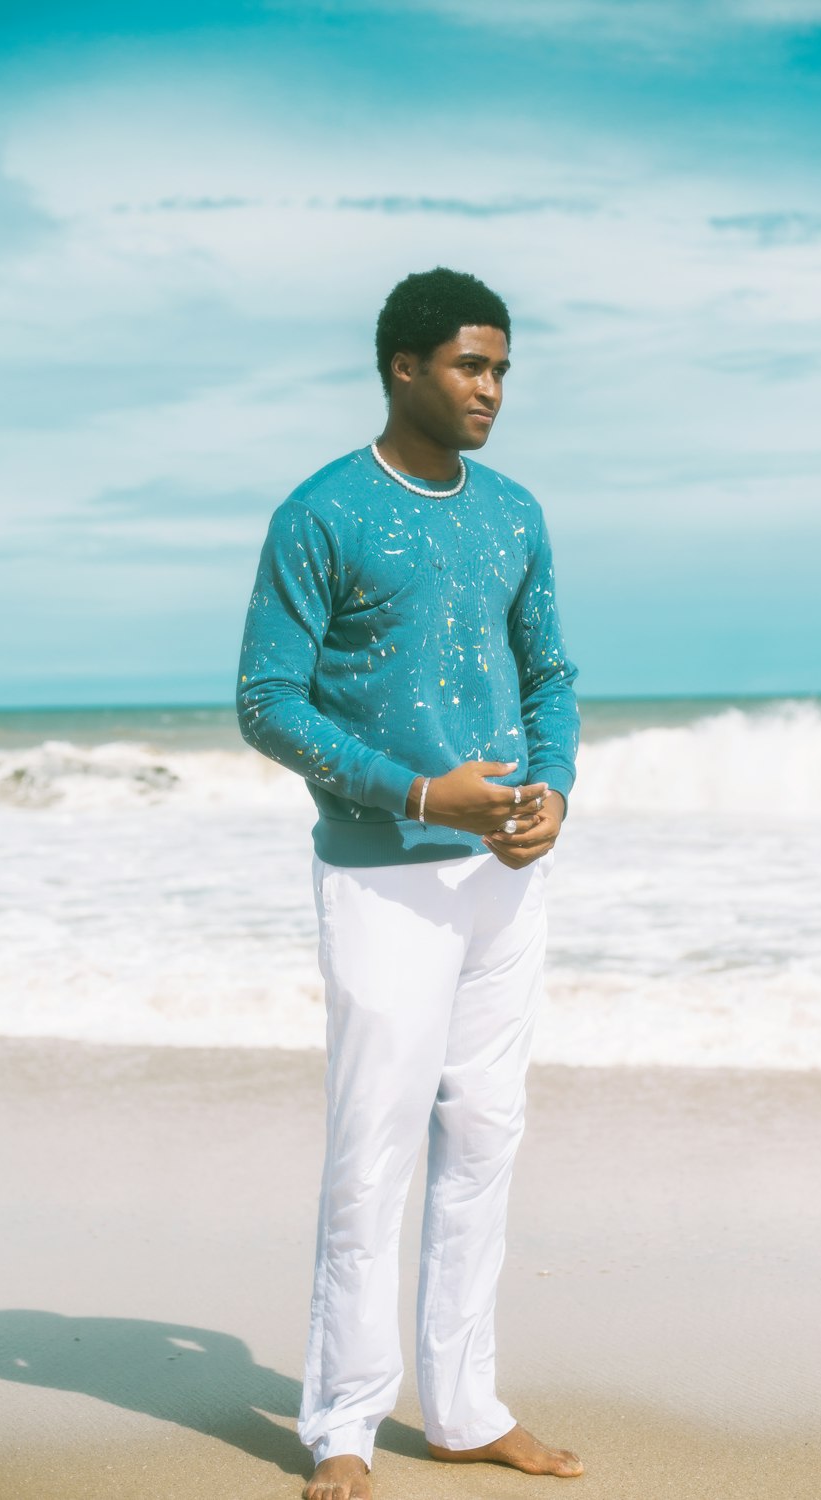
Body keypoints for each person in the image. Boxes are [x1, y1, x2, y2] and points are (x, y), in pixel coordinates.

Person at [236, 267, 583, 1500]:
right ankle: (339, 1419)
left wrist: (549, 791)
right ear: (403, 367)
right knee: (373, 1146)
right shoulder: (321, 514)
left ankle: (464, 1406)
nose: (491, 389)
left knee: (484, 1137)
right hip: (383, 879)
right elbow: (267, 704)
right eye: (469, 366)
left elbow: (548, 672)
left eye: (500, 369)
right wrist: (426, 796)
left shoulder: (514, 513)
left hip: (503, 879)